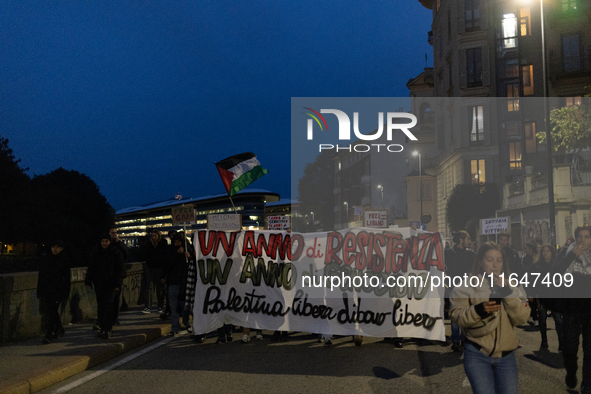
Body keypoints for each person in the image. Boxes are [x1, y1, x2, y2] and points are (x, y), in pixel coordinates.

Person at [450, 242, 530, 394]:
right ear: (480, 261)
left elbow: (523, 317)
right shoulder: (467, 285)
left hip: (506, 356)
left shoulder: (513, 285)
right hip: (477, 353)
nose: (495, 265)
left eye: (499, 260)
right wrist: (479, 310)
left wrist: (507, 293)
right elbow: (456, 316)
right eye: (489, 260)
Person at [553, 225, 591, 392]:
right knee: (569, 348)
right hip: (572, 309)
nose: (582, 240)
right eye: (580, 237)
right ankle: (571, 372)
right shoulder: (567, 255)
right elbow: (554, 274)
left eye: (587, 236)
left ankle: (587, 384)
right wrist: (571, 256)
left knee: (590, 350)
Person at [85, 234, 125, 339]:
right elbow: (91, 268)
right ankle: (103, 328)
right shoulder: (96, 252)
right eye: (103, 241)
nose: (104, 243)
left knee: (108, 306)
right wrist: (88, 281)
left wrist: (117, 283)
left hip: (111, 284)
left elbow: (120, 269)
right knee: (101, 306)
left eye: (106, 241)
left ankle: (108, 329)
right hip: (99, 283)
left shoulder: (115, 252)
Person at [445, 230, 476, 352]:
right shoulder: (447, 253)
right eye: (468, 239)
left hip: (468, 289)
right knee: (455, 315)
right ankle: (456, 340)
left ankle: (464, 339)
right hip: (453, 289)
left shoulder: (471, 255)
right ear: (461, 240)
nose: (470, 241)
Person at [530, 244, 563, 350]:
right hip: (542, 295)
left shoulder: (556, 265)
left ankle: (561, 342)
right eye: (544, 251)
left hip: (554, 295)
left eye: (548, 250)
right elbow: (531, 280)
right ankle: (544, 341)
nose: (545, 253)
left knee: (558, 319)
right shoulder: (537, 265)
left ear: (552, 252)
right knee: (542, 319)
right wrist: (531, 293)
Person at [37, 240, 70, 344]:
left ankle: (49, 334)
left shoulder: (64, 260)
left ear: (61, 248)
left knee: (52, 312)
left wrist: (65, 292)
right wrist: (40, 290)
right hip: (47, 290)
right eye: (53, 247)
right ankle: (59, 327)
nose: (54, 249)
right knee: (52, 311)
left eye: (57, 247)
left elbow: (67, 278)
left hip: (58, 290)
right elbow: (41, 276)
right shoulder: (46, 259)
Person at [161, 235, 191, 337]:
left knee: (185, 306)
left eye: (179, 242)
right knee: (173, 307)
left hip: (185, 282)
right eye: (175, 242)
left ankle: (186, 323)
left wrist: (189, 256)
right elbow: (166, 264)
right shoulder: (170, 251)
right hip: (173, 281)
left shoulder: (188, 248)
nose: (177, 244)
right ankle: (174, 327)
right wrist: (177, 255)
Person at [141, 229, 167, 314]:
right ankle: (148, 307)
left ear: (158, 236)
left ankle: (160, 306)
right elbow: (145, 254)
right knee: (149, 288)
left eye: (155, 235)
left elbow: (163, 256)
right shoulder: (148, 244)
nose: (154, 237)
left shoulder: (163, 243)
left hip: (159, 269)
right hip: (151, 268)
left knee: (160, 289)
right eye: (152, 236)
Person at [109, 227, 128, 326]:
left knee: (116, 298)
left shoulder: (119, 245)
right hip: (108, 276)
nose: (114, 235)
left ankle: (114, 318)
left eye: (115, 233)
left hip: (117, 276)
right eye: (112, 233)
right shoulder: (106, 245)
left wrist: (118, 242)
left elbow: (126, 253)